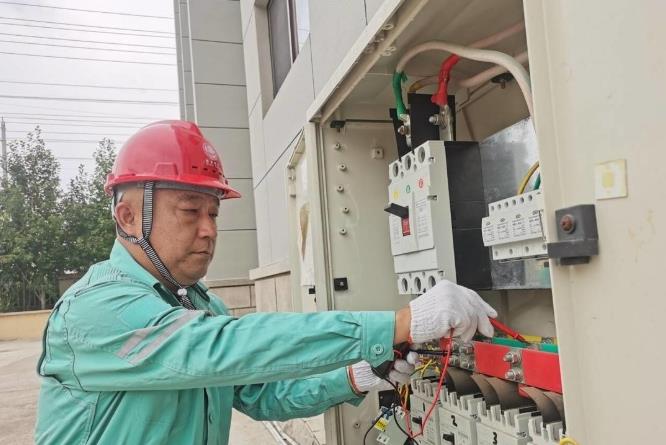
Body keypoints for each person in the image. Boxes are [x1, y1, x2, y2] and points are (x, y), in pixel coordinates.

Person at [34, 120, 497, 444]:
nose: (209, 229)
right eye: (190, 211)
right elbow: (223, 348)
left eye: (214, 213)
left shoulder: (199, 306)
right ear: (128, 217)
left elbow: (263, 395)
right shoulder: (96, 310)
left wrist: (355, 377)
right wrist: (398, 323)